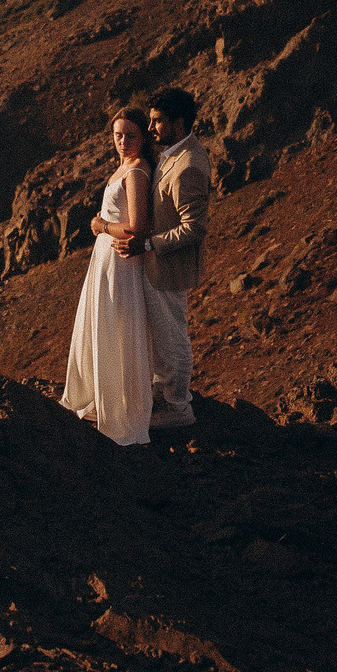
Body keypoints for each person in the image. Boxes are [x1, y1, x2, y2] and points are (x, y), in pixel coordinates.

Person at [61, 107, 157, 445]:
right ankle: (100, 399)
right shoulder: (124, 168)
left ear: (143, 137)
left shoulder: (136, 172)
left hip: (119, 260)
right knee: (102, 326)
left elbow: (137, 227)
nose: (123, 141)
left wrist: (100, 225)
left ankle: (120, 409)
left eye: (130, 135)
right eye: (118, 135)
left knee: (115, 329)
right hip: (105, 258)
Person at [116, 88, 210, 428]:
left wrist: (149, 245)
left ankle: (178, 408)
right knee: (160, 335)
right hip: (156, 265)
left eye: (158, 121)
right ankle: (162, 397)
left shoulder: (189, 165)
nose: (152, 127)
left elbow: (195, 228)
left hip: (169, 267)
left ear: (178, 122)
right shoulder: (172, 153)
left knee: (172, 338)